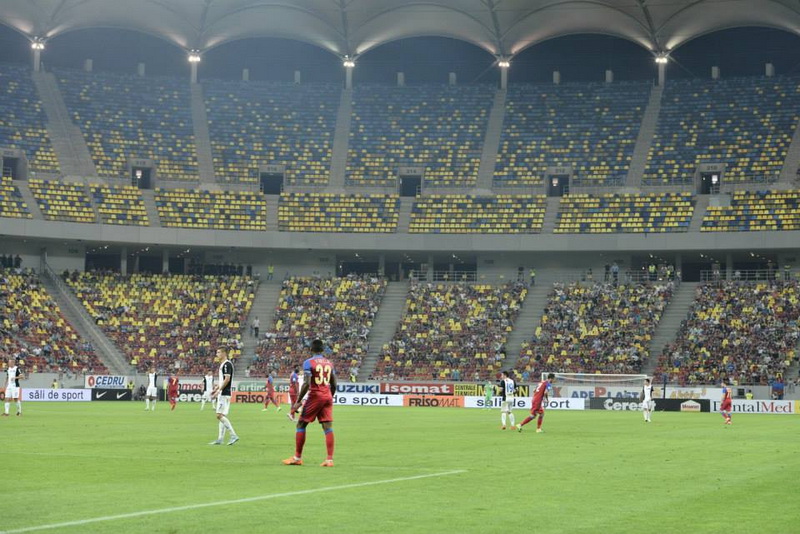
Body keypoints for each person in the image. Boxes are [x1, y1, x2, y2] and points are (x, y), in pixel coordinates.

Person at [283, 339, 337, 467]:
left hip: (315, 395)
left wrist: (298, 401)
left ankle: (297, 458)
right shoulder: (329, 363)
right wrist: (329, 396)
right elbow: (334, 383)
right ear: (323, 350)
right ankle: (329, 460)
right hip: (327, 395)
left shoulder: (308, 363)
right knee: (327, 427)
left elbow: (307, 383)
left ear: (311, 350)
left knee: (301, 424)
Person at [210, 348, 239, 445]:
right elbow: (223, 380)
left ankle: (233, 435)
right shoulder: (223, 364)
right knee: (222, 416)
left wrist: (218, 391)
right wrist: (216, 388)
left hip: (224, 393)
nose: (216, 354)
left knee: (219, 415)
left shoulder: (227, 364)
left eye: (218, 352)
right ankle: (220, 439)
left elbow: (227, 380)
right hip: (223, 392)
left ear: (224, 353)